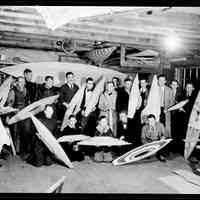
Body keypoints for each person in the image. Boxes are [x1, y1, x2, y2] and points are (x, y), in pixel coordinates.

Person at [6, 76, 32, 160]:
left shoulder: (26, 90)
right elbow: (9, 104)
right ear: (17, 82)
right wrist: (10, 114)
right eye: (20, 82)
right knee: (16, 132)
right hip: (15, 114)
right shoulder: (13, 91)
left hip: (25, 114)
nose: (22, 83)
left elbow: (28, 102)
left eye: (23, 82)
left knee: (26, 131)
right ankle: (17, 150)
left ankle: (25, 150)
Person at [170, 80, 184, 154]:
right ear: (170, 85)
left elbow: (182, 104)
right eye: (173, 84)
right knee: (171, 131)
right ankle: (172, 149)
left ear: (177, 86)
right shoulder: (169, 92)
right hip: (170, 114)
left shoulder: (180, 94)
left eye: (175, 84)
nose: (174, 86)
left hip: (178, 115)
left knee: (177, 131)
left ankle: (177, 149)